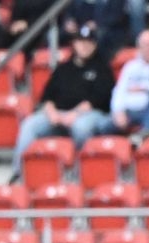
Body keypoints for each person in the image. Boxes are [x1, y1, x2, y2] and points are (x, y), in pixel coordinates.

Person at [13, 22, 112, 160]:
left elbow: (98, 100)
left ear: (95, 45)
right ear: (74, 44)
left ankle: (77, 169)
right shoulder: (63, 68)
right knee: (30, 124)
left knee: (81, 127)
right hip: (59, 114)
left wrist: (73, 114)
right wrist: (53, 113)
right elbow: (47, 97)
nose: (84, 46)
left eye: (88, 42)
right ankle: (20, 172)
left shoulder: (102, 69)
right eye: (80, 41)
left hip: (88, 115)